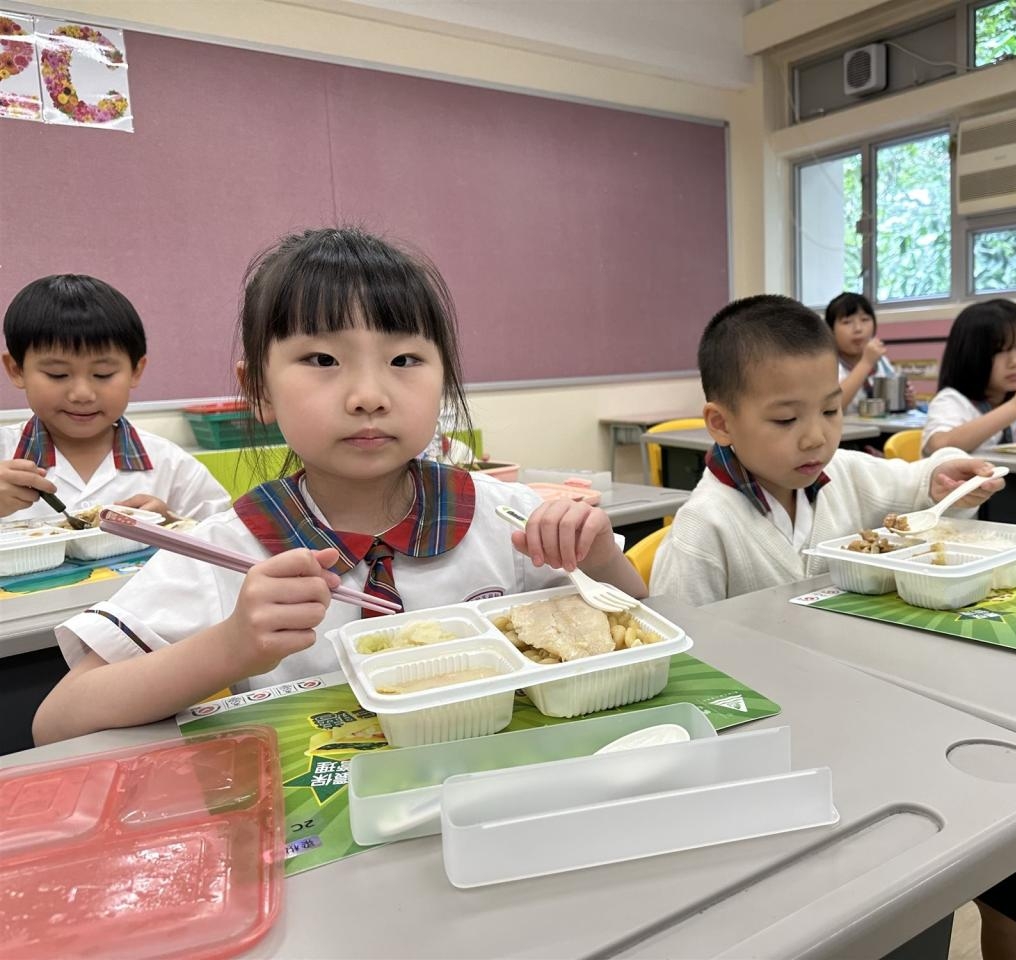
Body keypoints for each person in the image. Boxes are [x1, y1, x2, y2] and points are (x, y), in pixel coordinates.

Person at [34, 227, 644, 745]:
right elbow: (58, 722)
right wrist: (232, 647)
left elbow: (641, 620)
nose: (369, 397)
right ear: (259, 391)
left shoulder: (504, 518)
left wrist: (597, 556)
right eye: (323, 360)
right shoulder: (229, 551)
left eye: (404, 360)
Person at [650, 294, 1003, 607]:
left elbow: (917, 484)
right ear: (722, 424)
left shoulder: (843, 473)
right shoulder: (703, 528)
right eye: (786, 419)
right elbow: (681, 645)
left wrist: (943, 479)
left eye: (830, 411)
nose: (816, 438)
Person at [1, 274, 227, 523]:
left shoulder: (173, 467)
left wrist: (172, 524)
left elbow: (225, 537)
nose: (82, 394)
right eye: (58, 374)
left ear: (136, 371)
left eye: (103, 374)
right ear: (16, 370)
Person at [923, 299, 1016, 455]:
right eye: (998, 350)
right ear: (970, 355)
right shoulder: (952, 401)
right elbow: (938, 445)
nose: (1015, 362)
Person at [825, 291, 914, 413]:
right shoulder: (827, 364)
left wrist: (908, 402)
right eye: (847, 322)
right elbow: (832, 407)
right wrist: (866, 363)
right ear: (830, 330)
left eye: (865, 319)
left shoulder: (881, 362)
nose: (858, 328)